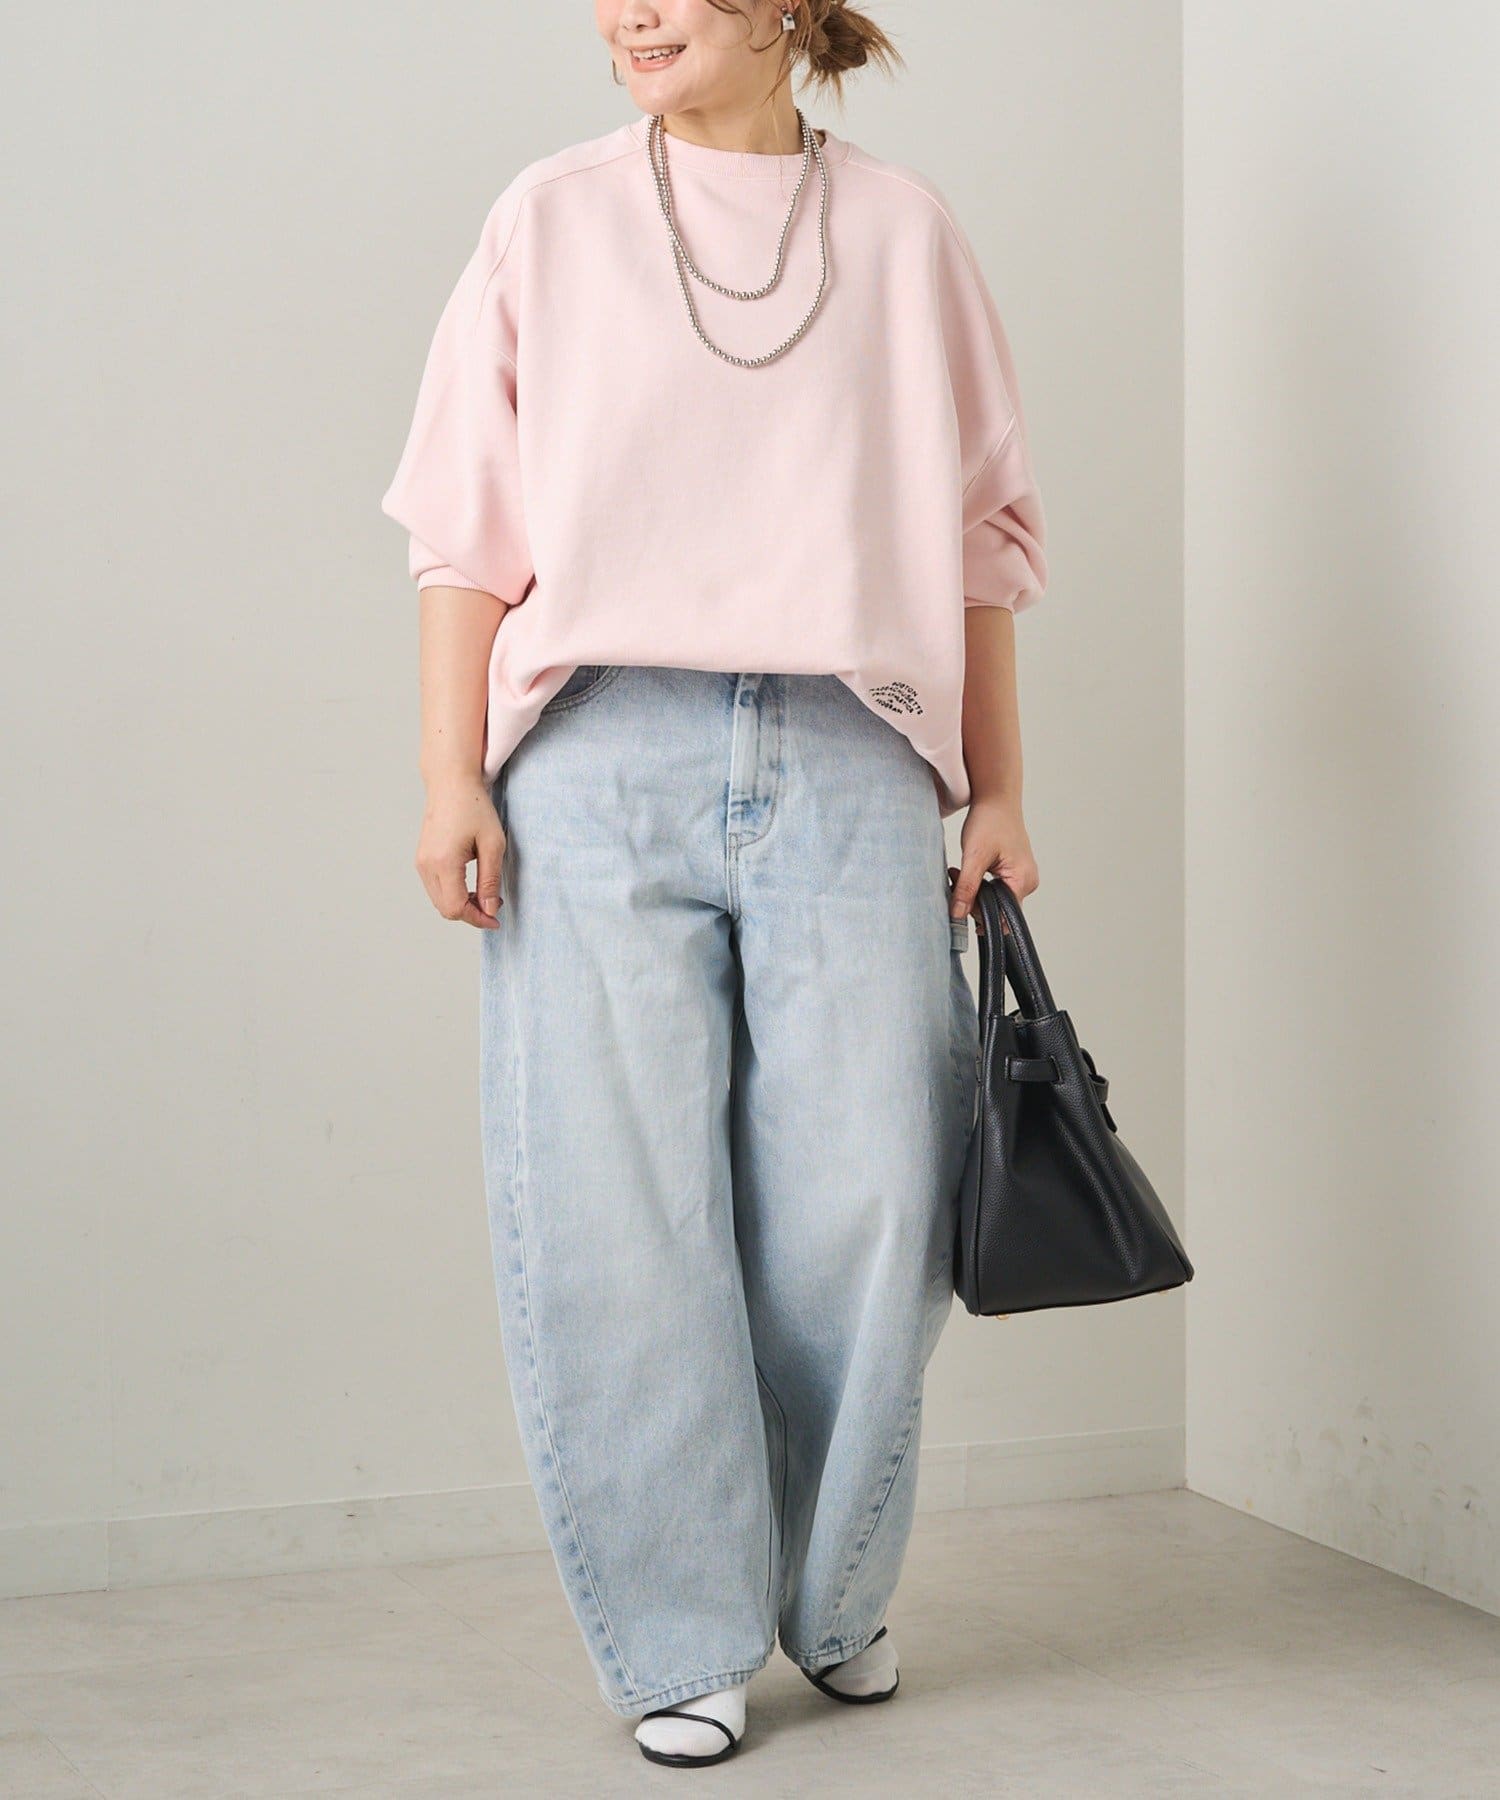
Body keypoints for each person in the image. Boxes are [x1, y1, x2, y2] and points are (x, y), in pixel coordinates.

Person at [379, 0, 1049, 1770]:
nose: (629, 13)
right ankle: (678, 1630)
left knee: (873, 1198)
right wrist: (451, 774)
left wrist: (999, 785)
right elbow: (466, 527)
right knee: (615, 1214)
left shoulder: (901, 232)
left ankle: (830, 1596)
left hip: (850, 746)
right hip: (597, 755)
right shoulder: (551, 219)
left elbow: (980, 539)